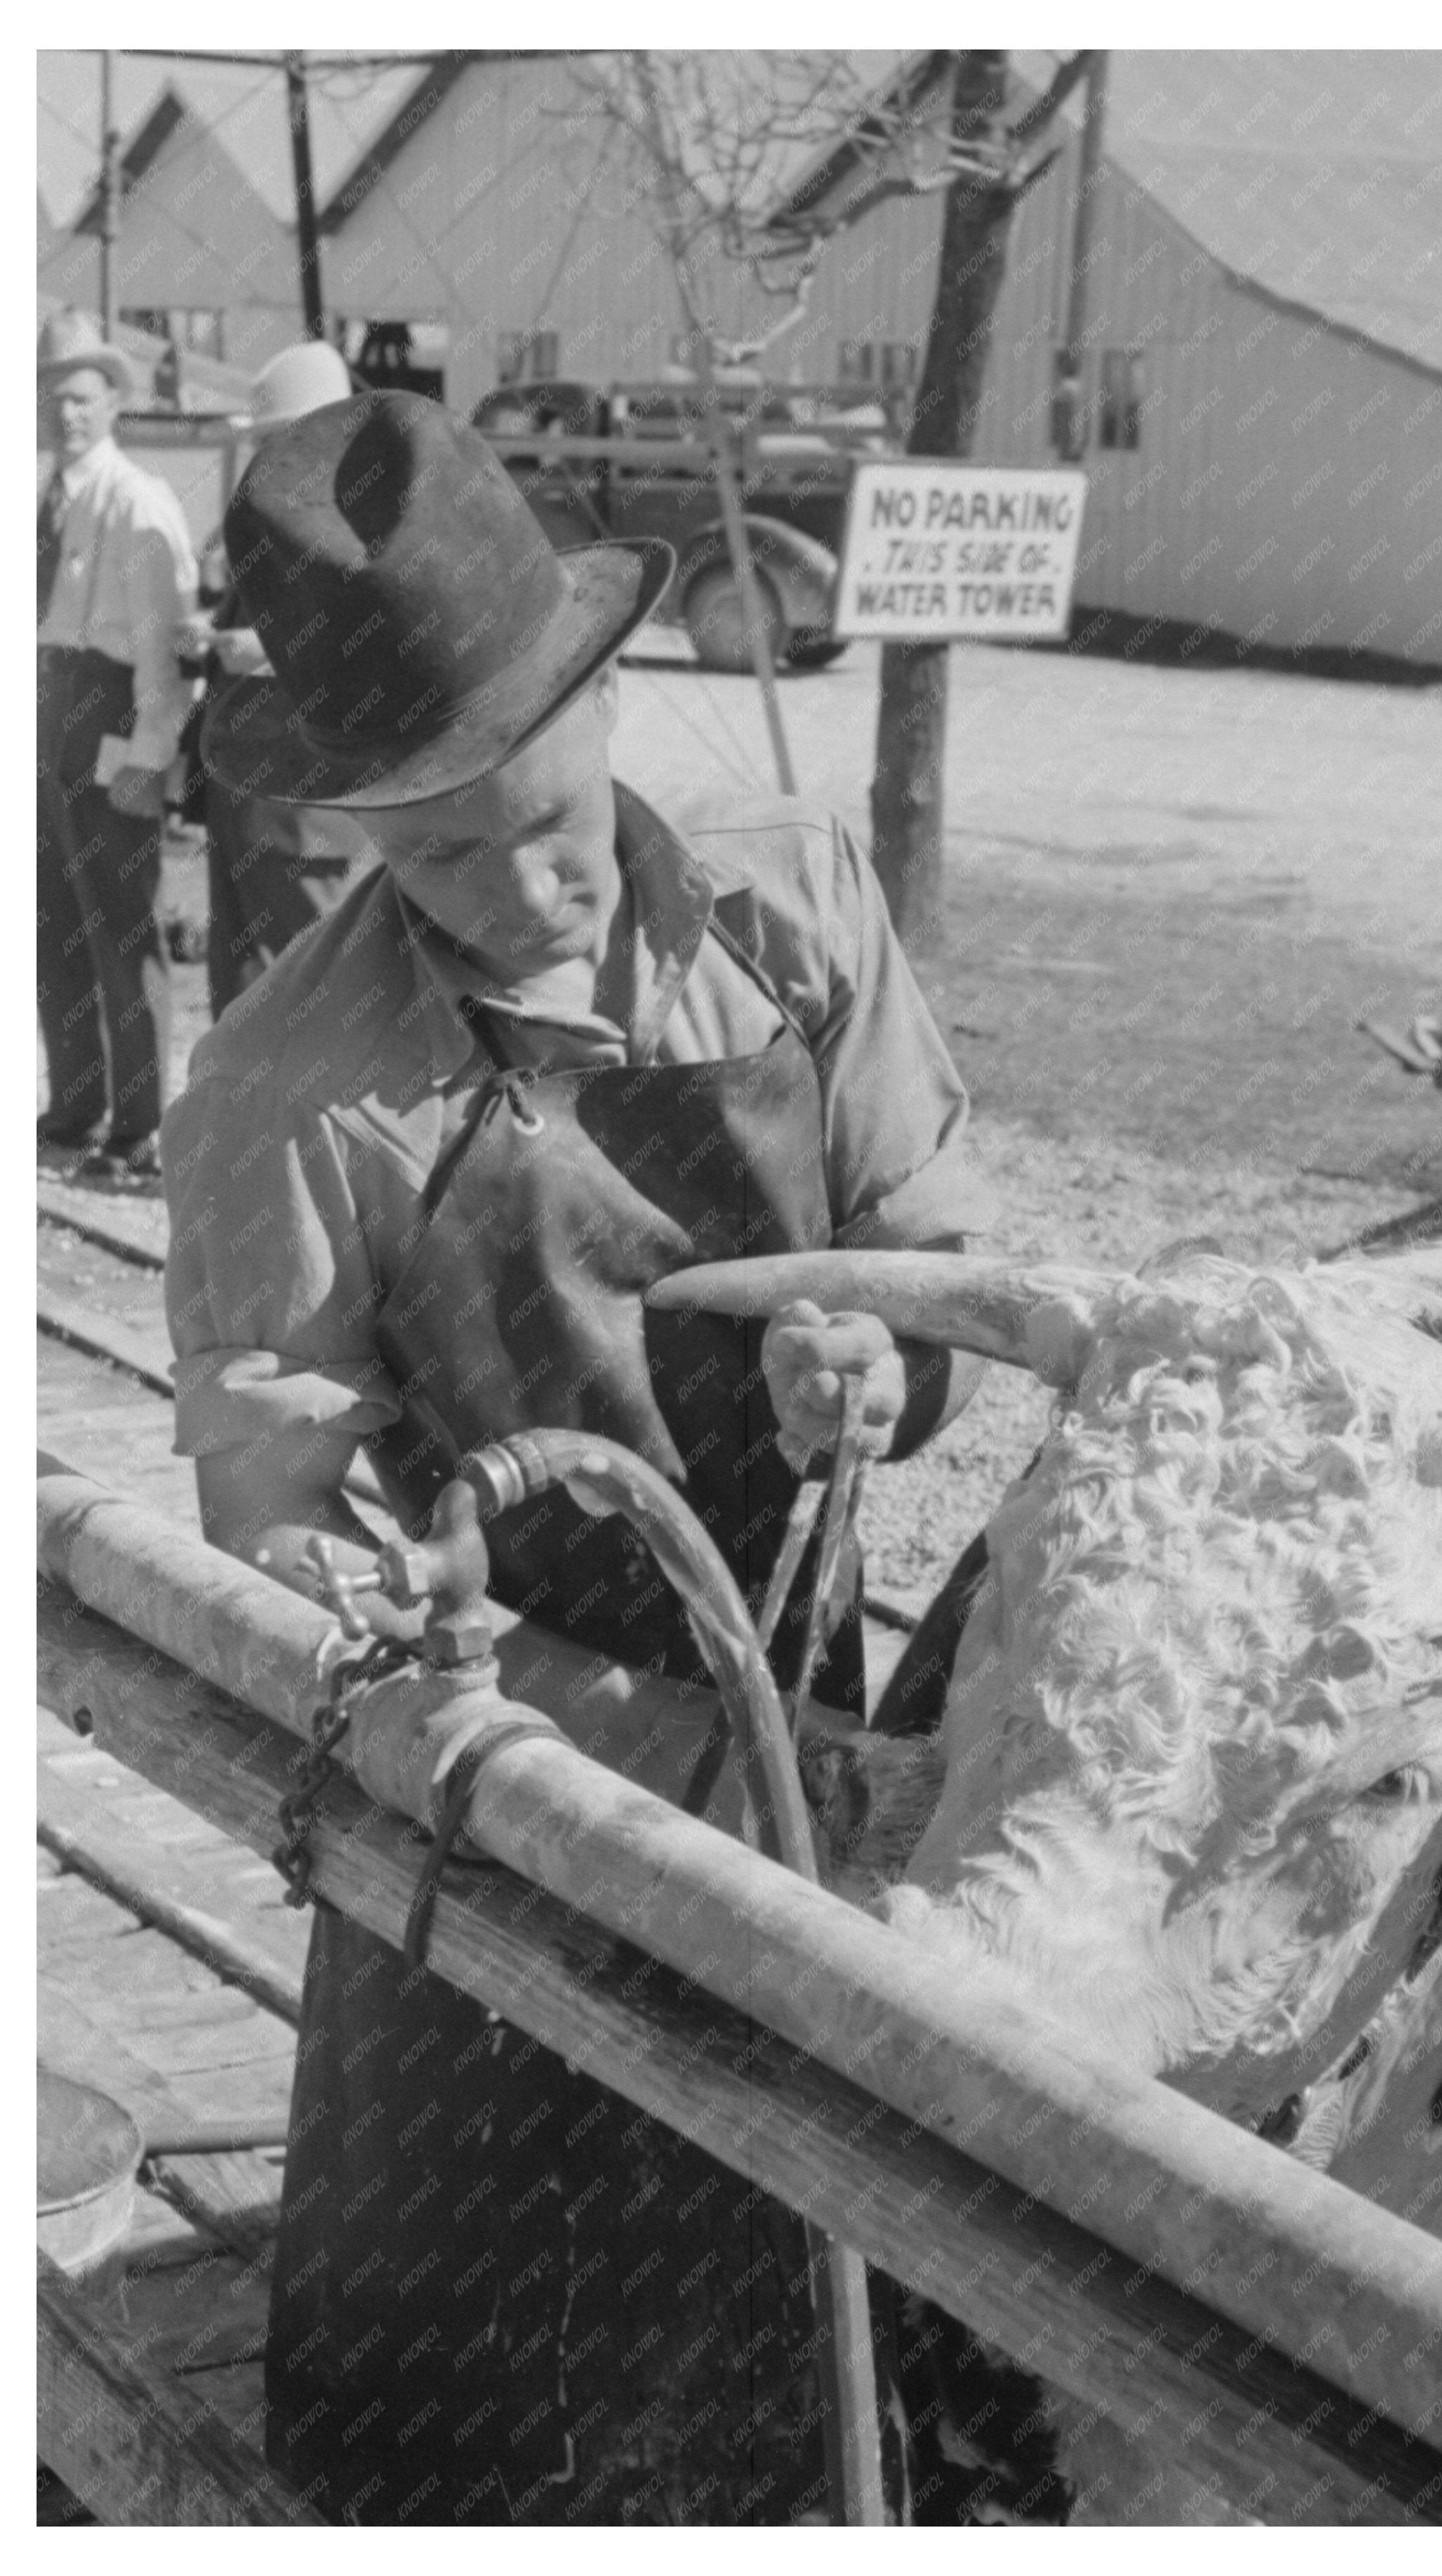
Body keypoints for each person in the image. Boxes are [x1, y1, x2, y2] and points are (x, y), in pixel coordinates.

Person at [163, 390, 994, 2524]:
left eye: (547, 811)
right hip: (512, 1817)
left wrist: (888, 1371)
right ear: (338, 820)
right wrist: (509, 1693)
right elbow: (277, 1529)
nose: (526, 884)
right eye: (442, 852)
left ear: (610, 690)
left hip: (814, 1736)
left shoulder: (795, 906)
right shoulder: (286, 1093)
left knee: (817, 2358)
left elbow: (949, 1282)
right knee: (481, 2418)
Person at [37, 307, 199, 1184]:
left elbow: (161, 645)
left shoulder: (138, 501)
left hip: (107, 714)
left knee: (122, 929)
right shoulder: (36, 497)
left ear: (113, 406)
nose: (65, 414)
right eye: (51, 397)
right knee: (53, 925)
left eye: (82, 399)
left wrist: (149, 756)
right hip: (47, 711)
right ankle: (73, 1109)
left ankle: (139, 1127)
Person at [178, 340, 373, 1017]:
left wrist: (256, 650)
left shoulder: (358, 524)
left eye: (283, 436)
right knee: (241, 990)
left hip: (306, 806)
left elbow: (365, 642)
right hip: (248, 795)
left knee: (315, 989)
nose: (272, 453)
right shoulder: (278, 515)